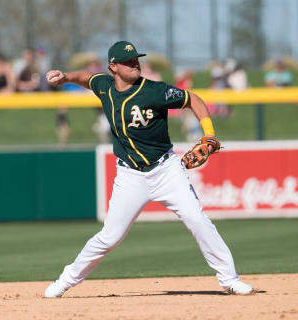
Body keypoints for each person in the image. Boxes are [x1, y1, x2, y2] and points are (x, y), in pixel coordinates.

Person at [43, 41, 255, 298]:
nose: (135, 64)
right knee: (110, 237)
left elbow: (193, 99)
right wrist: (65, 76)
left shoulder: (155, 91)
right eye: (128, 62)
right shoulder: (105, 86)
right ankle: (64, 281)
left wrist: (209, 134)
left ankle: (230, 280)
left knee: (197, 220)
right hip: (130, 175)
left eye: (136, 60)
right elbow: (87, 78)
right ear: (113, 67)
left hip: (166, 170)